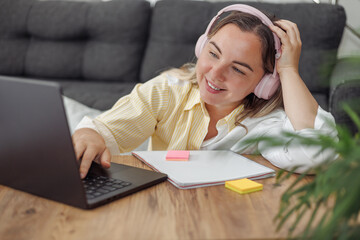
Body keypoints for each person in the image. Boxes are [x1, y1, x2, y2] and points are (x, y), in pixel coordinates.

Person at [72, 4, 337, 179]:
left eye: (238, 69)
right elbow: (102, 131)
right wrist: (88, 133)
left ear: (265, 83)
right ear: (201, 47)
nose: (214, 73)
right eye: (213, 53)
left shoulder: (266, 123)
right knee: (70, 116)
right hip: (163, 210)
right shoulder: (168, 90)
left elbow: (319, 155)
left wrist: (288, 70)